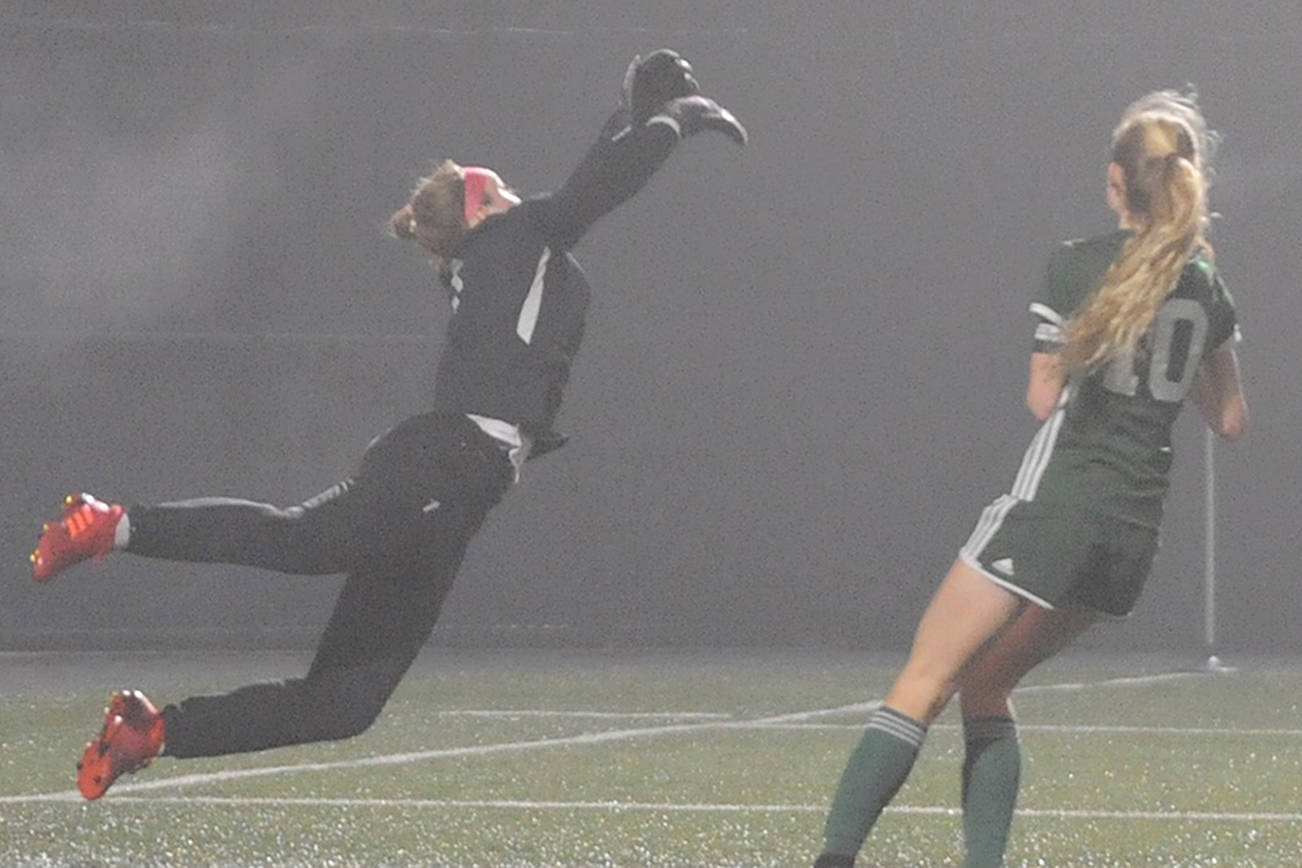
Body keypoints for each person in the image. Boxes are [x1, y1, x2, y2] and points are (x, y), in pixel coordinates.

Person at [29, 49, 747, 801]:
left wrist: (633, 110)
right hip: (443, 464)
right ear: (480, 213)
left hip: (456, 490)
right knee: (300, 539)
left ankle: (154, 732)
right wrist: (672, 119)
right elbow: (601, 186)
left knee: (344, 704)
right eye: (499, 190)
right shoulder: (517, 238)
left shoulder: (513, 243)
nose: (514, 193)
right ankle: (110, 526)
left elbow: (594, 177)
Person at [814, 89, 1248, 868]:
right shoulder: (1206, 284)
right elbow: (1231, 419)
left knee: (922, 679)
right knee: (986, 689)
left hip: (1059, 505)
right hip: (1130, 534)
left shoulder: (1077, 262)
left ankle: (833, 858)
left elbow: (1042, 399)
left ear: (1118, 180)